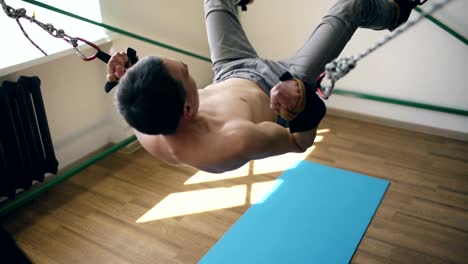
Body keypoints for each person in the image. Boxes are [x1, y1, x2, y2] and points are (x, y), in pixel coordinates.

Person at [107, 0, 424, 173]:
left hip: (230, 69)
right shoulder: (233, 140)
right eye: (187, 75)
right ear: (187, 109)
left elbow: (136, 96)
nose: (189, 69)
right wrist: (300, 105)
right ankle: (398, 9)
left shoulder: (145, 117)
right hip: (281, 81)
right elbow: (298, 143)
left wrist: (126, 75)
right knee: (350, 7)